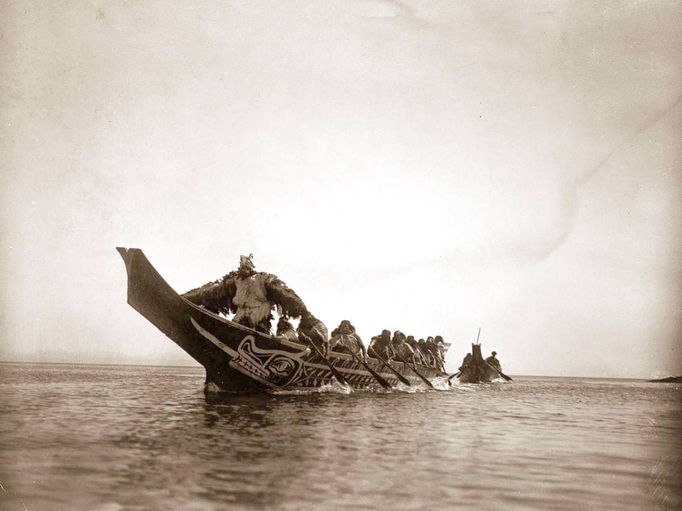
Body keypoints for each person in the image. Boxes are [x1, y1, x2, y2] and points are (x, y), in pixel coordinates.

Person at [183, 254, 328, 340]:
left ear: (251, 267)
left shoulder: (264, 279)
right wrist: (187, 299)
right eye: (241, 266)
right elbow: (211, 290)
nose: (243, 268)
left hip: (259, 319)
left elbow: (286, 294)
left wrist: (304, 313)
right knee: (211, 300)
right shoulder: (235, 280)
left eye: (246, 266)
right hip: (239, 319)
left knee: (259, 333)